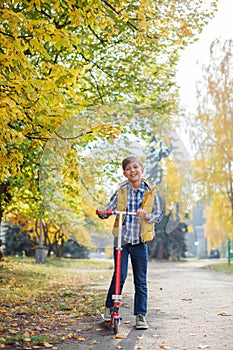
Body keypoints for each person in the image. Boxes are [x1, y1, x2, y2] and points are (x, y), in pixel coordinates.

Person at [97, 155, 162, 329]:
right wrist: (104, 211)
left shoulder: (150, 191)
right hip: (122, 240)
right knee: (120, 275)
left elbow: (158, 215)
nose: (132, 171)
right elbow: (109, 207)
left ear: (142, 170)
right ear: (124, 173)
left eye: (135, 167)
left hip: (140, 240)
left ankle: (140, 315)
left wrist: (146, 215)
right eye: (128, 169)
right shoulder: (122, 190)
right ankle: (110, 308)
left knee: (140, 279)